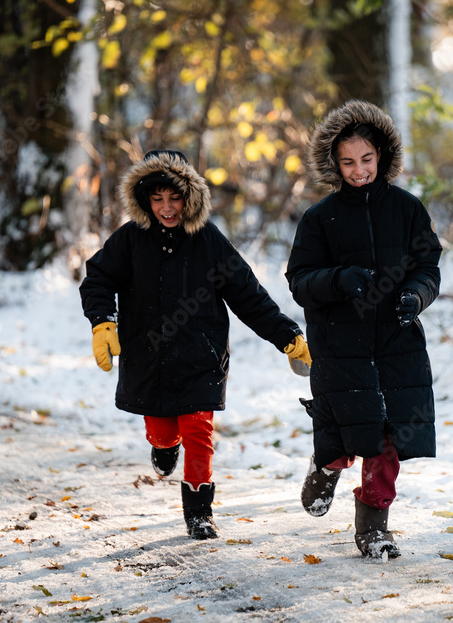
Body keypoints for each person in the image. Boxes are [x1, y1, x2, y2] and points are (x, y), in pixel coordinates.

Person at [80, 149, 312, 540]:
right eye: (157, 199)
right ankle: (164, 445)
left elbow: (247, 295)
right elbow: (98, 279)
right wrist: (103, 321)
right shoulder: (130, 240)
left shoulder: (208, 241)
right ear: (144, 200)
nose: (167, 208)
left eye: (175, 198)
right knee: (162, 430)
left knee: (198, 432)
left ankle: (199, 512)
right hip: (147, 356)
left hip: (199, 356)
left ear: (191, 198)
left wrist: (287, 335)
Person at [286, 101, 441, 559]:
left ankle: (374, 527)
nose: (359, 170)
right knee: (346, 431)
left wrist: (416, 297)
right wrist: (339, 279)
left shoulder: (408, 210)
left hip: (396, 343)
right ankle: (326, 465)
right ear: (334, 163)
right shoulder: (320, 218)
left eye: (367, 159)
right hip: (341, 346)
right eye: (348, 162)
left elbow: (428, 265)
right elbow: (299, 281)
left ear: (382, 156)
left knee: (388, 436)